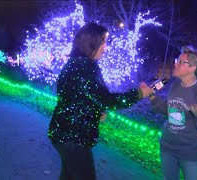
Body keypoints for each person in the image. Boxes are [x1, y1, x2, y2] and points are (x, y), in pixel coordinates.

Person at [48, 22, 153, 180]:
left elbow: (75, 98)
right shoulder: (87, 66)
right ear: (92, 43)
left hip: (63, 133)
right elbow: (107, 100)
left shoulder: (73, 64)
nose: (105, 47)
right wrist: (139, 93)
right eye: (103, 42)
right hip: (74, 137)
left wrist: (94, 112)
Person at [145, 46, 197, 180]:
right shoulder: (175, 86)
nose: (175, 64)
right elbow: (170, 112)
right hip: (167, 147)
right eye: (176, 60)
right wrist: (153, 98)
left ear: (193, 67)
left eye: (180, 62)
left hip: (191, 153)